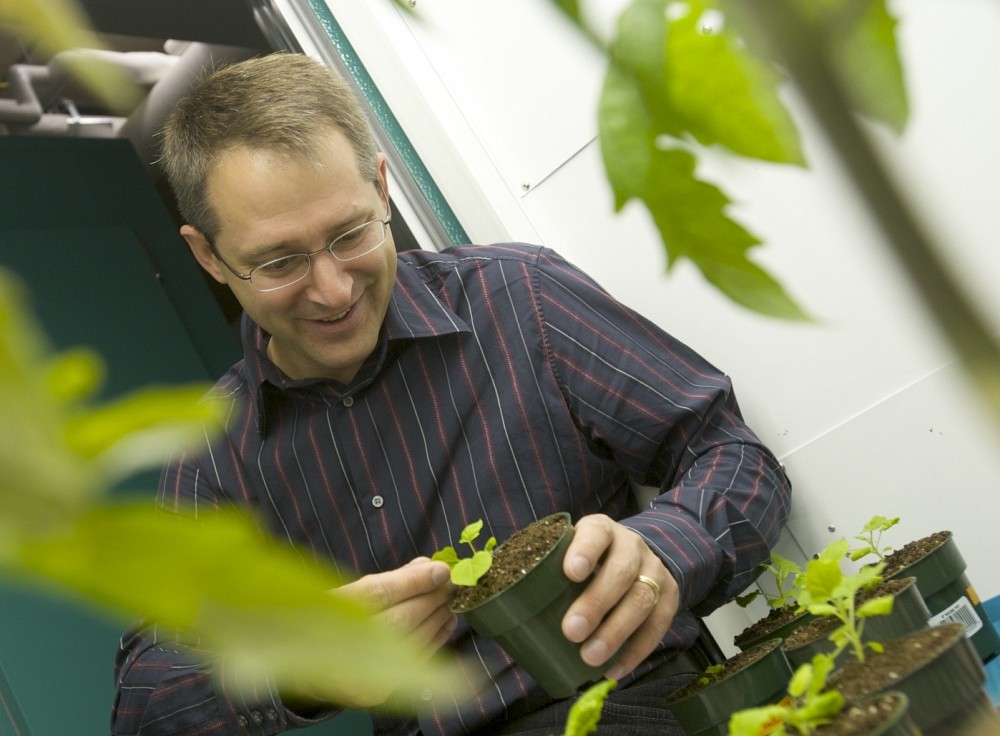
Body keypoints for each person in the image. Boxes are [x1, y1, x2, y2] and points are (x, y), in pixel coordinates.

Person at [112, 52, 791, 736]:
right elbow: (147, 696)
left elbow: (728, 450)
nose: (333, 289)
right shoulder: (211, 450)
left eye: (350, 235)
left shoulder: (521, 297)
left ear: (381, 188)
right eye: (280, 262)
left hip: (631, 709)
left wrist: (668, 551)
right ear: (208, 257)